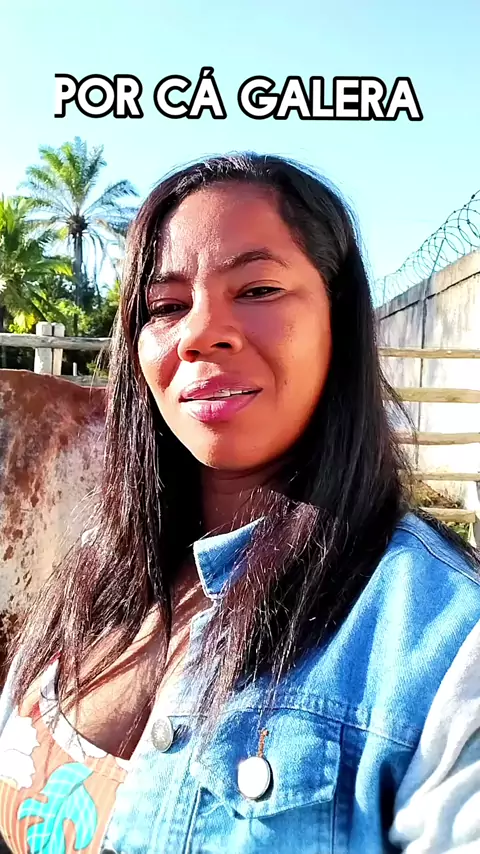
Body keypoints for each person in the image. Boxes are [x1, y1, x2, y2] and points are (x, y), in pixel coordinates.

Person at [0, 152, 479, 854]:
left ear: (340, 321)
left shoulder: (444, 644)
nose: (199, 333)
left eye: (257, 289)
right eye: (166, 307)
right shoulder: (95, 578)